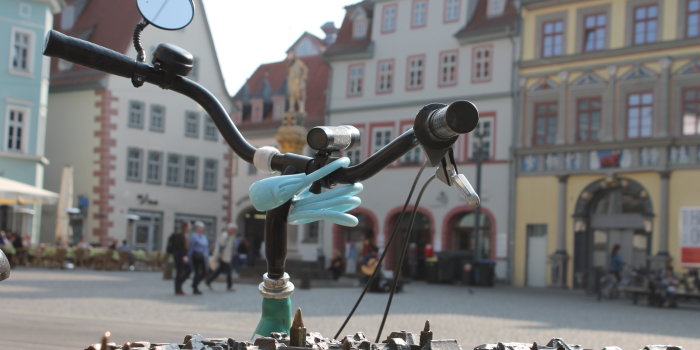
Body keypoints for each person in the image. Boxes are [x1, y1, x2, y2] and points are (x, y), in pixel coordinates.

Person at [205, 223, 238, 292]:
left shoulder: (230, 236)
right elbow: (221, 246)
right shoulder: (225, 235)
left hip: (226, 257)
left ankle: (208, 281)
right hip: (223, 257)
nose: (235, 231)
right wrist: (219, 256)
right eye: (234, 230)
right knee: (228, 271)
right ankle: (229, 286)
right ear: (230, 229)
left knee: (219, 271)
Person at [166, 221, 191, 296]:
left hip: (181, 256)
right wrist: (184, 256)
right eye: (189, 226)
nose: (190, 227)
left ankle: (179, 287)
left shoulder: (185, 235)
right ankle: (178, 288)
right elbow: (179, 247)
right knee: (180, 272)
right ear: (186, 227)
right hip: (179, 256)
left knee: (187, 270)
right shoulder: (179, 235)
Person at [188, 221, 209, 295]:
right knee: (197, 272)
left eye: (202, 228)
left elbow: (206, 247)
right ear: (196, 229)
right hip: (195, 256)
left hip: (202, 256)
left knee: (205, 272)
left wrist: (207, 257)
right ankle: (195, 288)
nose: (201, 229)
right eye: (200, 228)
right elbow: (191, 247)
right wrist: (189, 257)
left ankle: (194, 284)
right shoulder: (194, 236)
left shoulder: (204, 237)